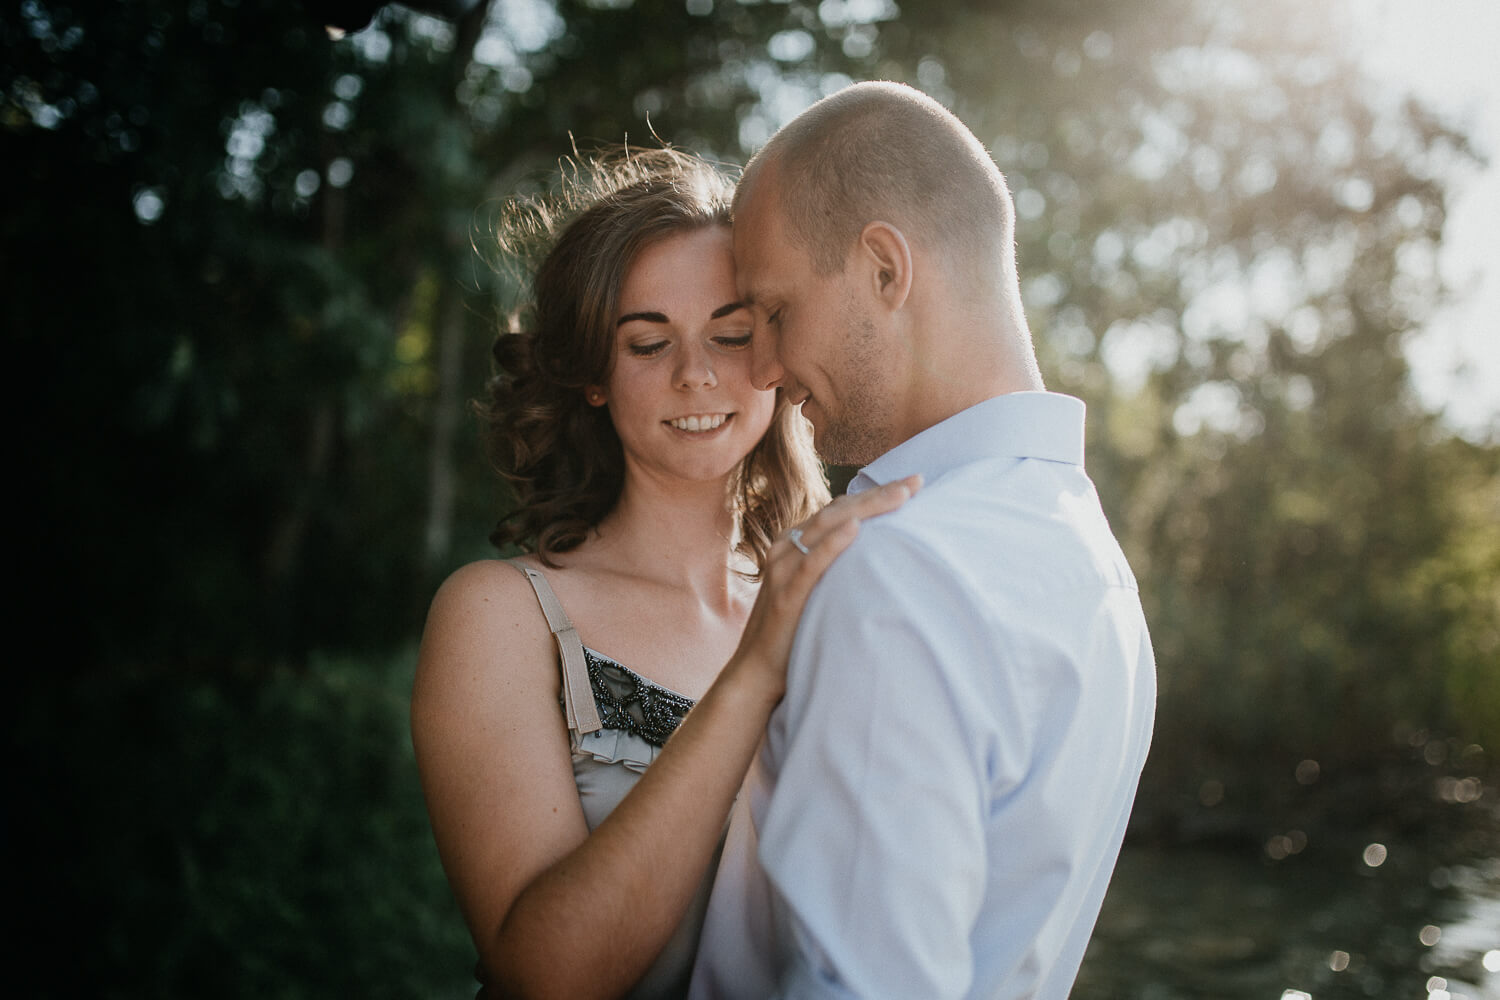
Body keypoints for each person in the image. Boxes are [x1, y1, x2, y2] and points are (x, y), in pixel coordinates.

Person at [410, 147, 918, 1000]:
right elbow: (546, 977)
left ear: (778, 348)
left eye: (730, 333)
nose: (697, 373)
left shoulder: (826, 602)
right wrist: (756, 672)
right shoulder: (501, 615)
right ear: (595, 378)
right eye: (648, 343)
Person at [689, 82, 1157, 999]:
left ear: (885, 271)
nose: (762, 370)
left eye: (775, 312)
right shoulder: (1095, 565)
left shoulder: (896, 573)